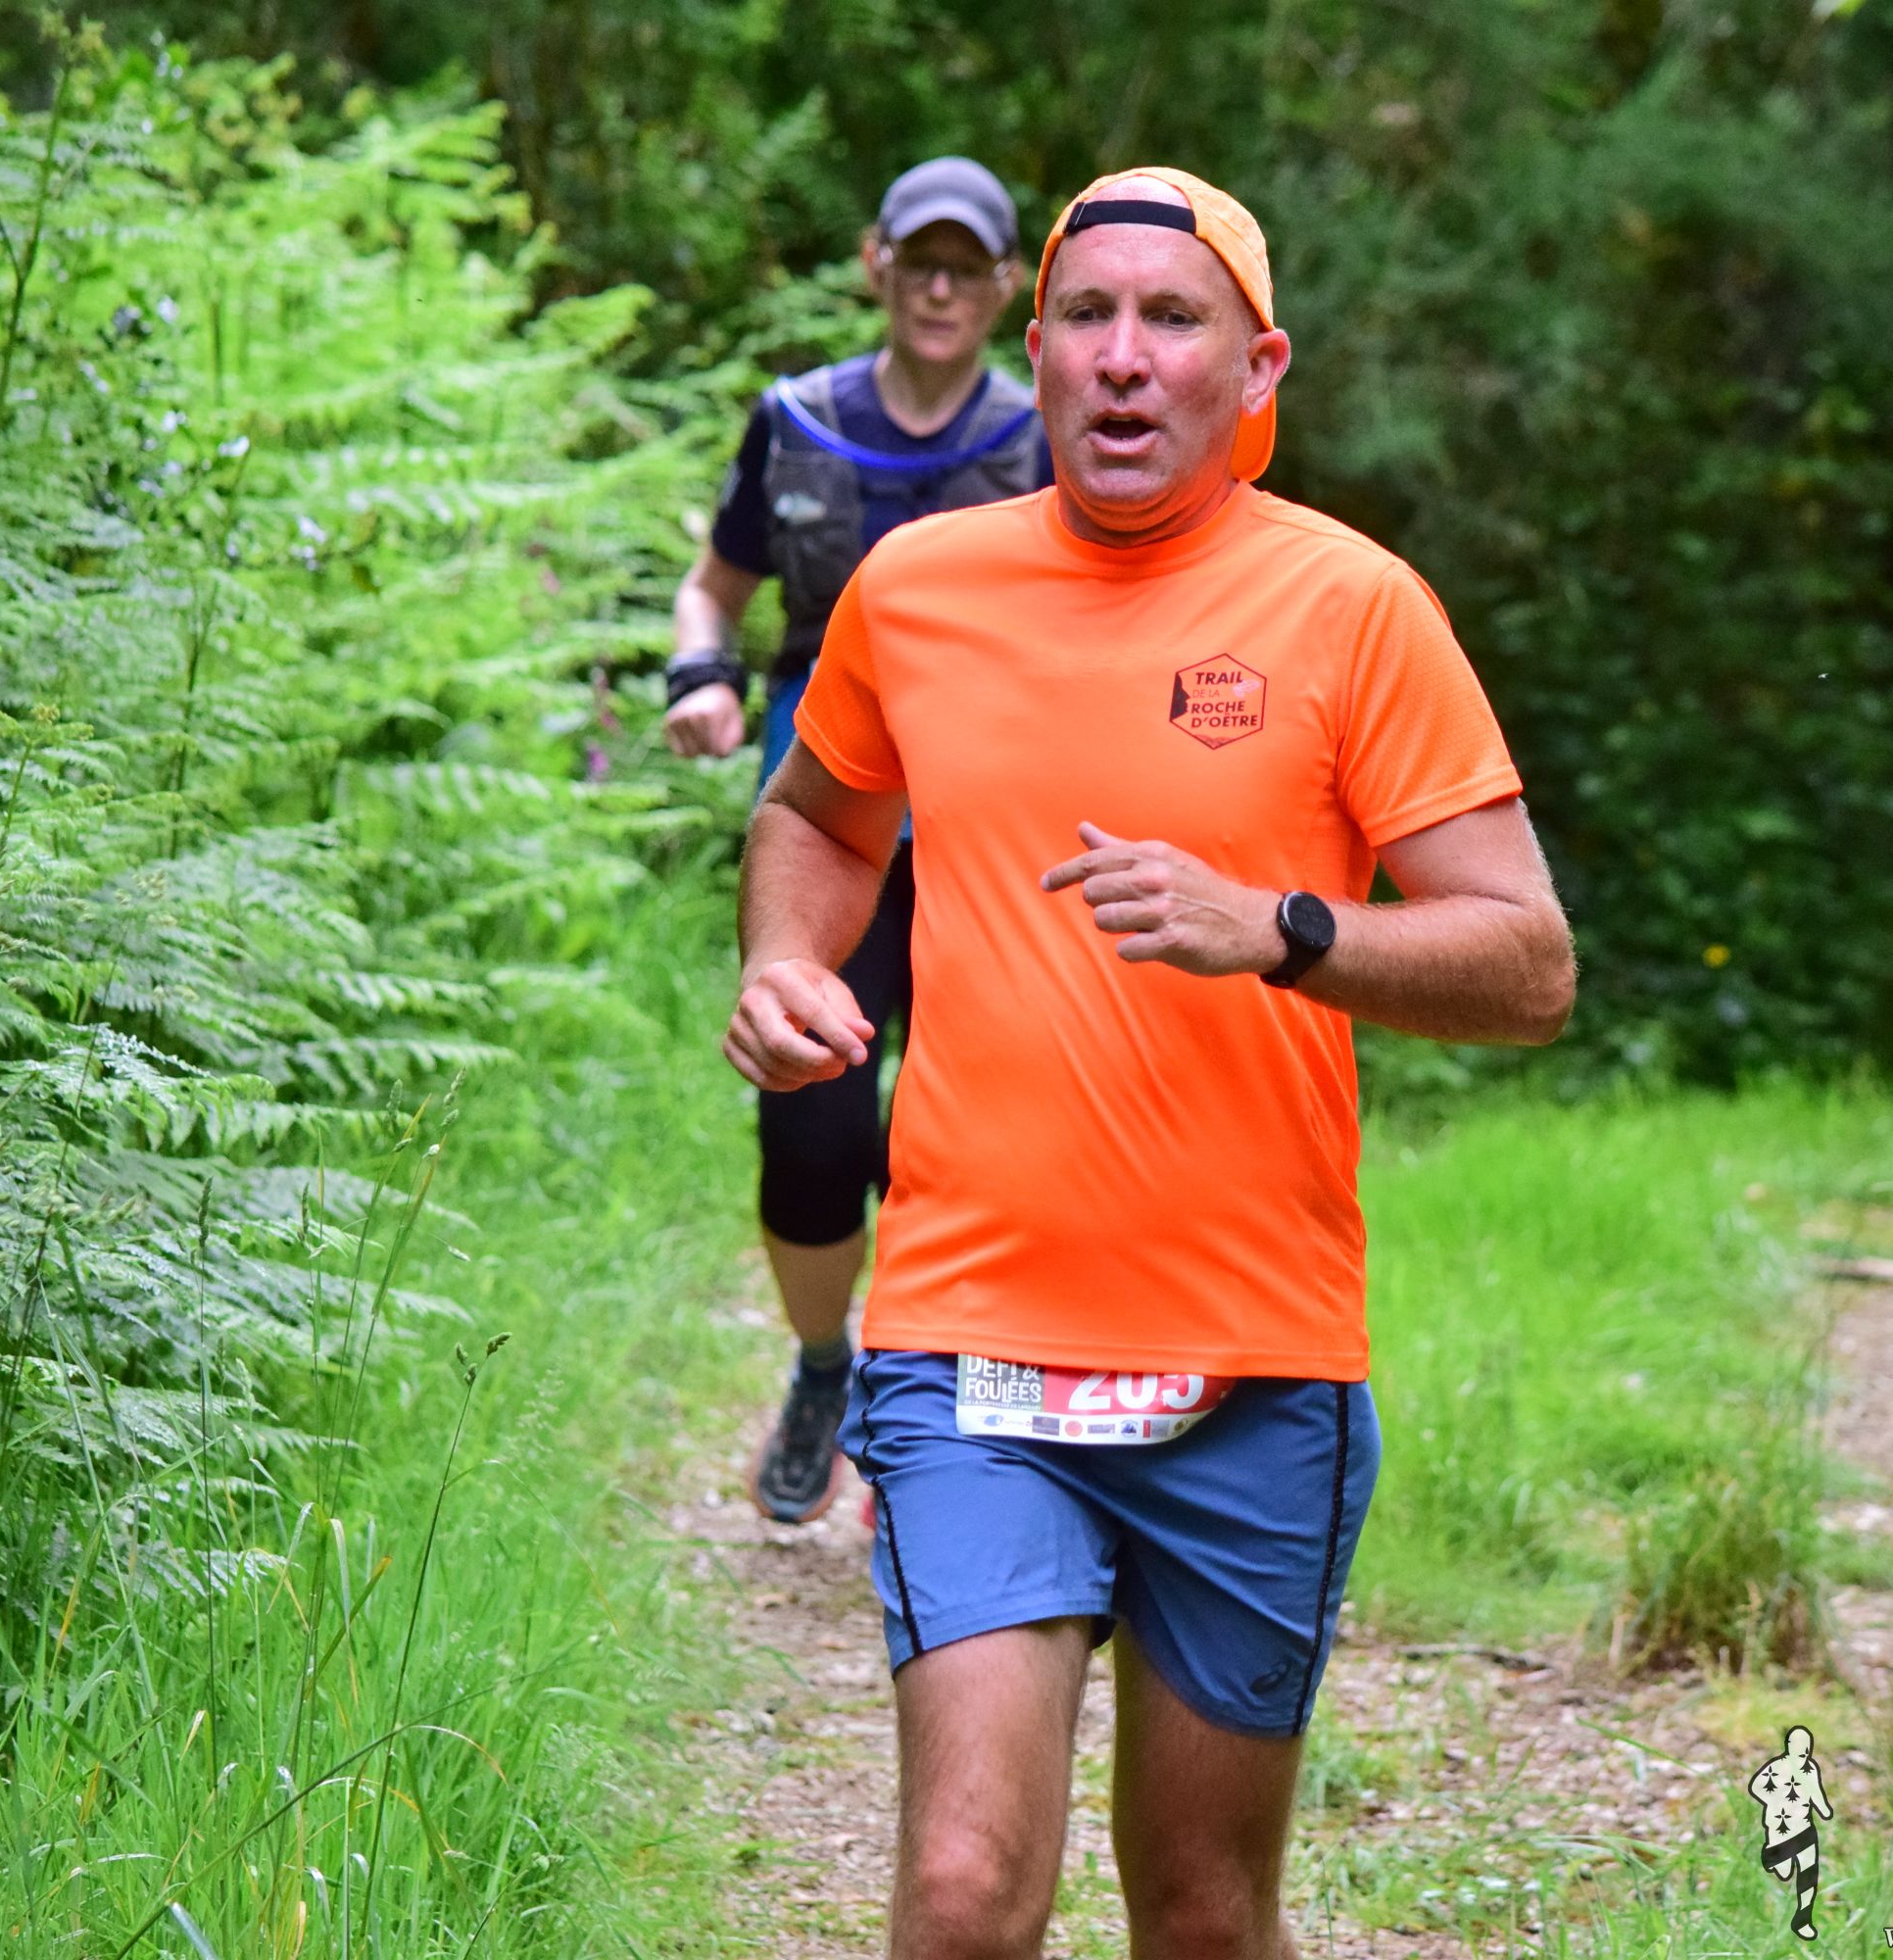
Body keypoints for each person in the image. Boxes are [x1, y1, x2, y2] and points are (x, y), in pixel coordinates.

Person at [720, 167, 1576, 1959]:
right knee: (964, 1893)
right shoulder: (918, 590)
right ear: (1037, 353)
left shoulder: (1353, 608)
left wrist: (1286, 927)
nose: (1124, 357)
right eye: (1090, 318)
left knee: (1200, 1913)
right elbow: (816, 813)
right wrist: (785, 960)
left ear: (1256, 370)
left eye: (1173, 320)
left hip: (1251, 1363)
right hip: (971, 1345)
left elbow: (1526, 966)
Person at [662, 156, 1051, 1525]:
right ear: (877, 264)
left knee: (973, 1132)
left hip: (991, 834)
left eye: (967, 268)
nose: (940, 289)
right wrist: (699, 678)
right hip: (828, 820)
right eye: (919, 262)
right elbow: (712, 593)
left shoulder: (1048, 440)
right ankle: (825, 1364)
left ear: (1005, 287)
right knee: (815, 1125)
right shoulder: (798, 424)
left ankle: (930, 1416)